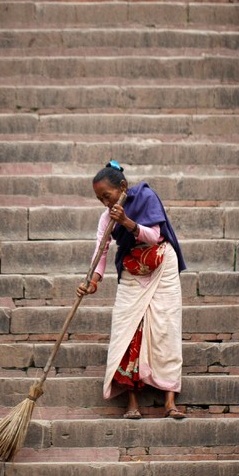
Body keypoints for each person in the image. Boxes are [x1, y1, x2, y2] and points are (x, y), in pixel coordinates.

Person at [76, 161, 187, 420]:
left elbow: (152, 235)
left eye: (107, 196)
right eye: (100, 199)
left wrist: (126, 221)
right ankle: (132, 402)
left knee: (166, 328)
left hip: (162, 265)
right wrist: (93, 280)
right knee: (126, 330)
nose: (104, 203)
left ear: (123, 187)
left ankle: (169, 401)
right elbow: (101, 250)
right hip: (131, 268)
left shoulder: (146, 196)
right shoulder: (106, 218)